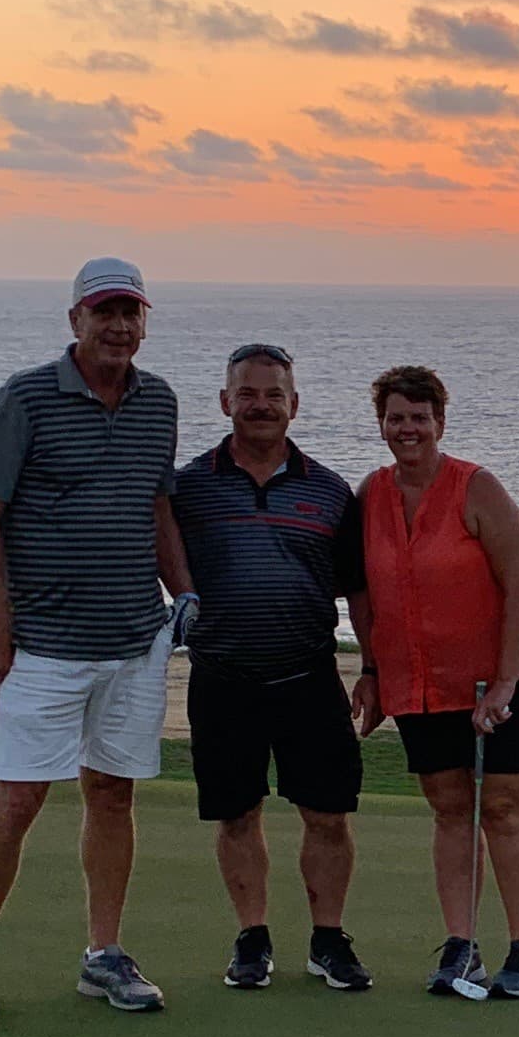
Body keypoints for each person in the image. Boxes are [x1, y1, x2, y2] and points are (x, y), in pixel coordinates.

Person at [0, 256, 190, 1025]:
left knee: (112, 795)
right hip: (45, 644)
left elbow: (158, 511)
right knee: (18, 799)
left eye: (132, 313)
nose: (119, 327)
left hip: (130, 643)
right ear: (75, 321)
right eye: (104, 312)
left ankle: (104, 955)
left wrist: (184, 597)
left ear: (144, 320)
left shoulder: (159, 402)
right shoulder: (26, 396)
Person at [167, 342, 374, 995]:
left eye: (274, 394)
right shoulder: (188, 487)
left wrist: (372, 667)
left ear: (294, 404)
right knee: (237, 814)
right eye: (248, 394)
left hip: (308, 676)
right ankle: (252, 939)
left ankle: (327, 939)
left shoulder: (331, 491)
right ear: (226, 402)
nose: (261, 406)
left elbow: (360, 589)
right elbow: (155, 563)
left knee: (328, 814)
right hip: (223, 677)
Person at [352, 362, 519, 1000]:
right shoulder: (371, 495)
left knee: (504, 808)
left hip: (499, 682)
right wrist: (373, 672)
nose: (407, 428)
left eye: (419, 417)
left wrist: (504, 682)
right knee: (449, 810)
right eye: (395, 418)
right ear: (382, 424)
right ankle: (461, 946)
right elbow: (365, 594)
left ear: (439, 421)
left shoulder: (476, 488)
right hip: (418, 686)